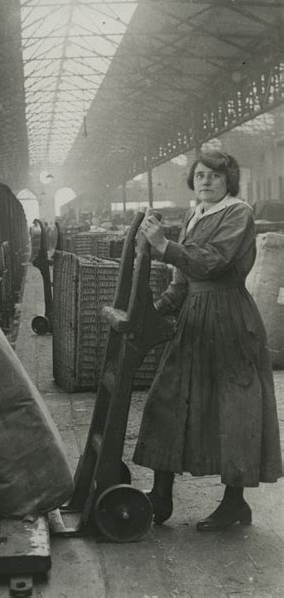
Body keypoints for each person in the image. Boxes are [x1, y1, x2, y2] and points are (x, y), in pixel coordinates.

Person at [133, 150, 282, 531]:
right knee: (169, 398)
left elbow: (213, 262)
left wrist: (165, 246)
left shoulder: (238, 213)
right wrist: (160, 307)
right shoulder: (192, 214)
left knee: (232, 410)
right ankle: (161, 497)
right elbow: (184, 277)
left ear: (228, 180)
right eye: (200, 176)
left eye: (215, 176)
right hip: (194, 321)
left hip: (230, 319)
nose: (206, 182)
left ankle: (234, 503)